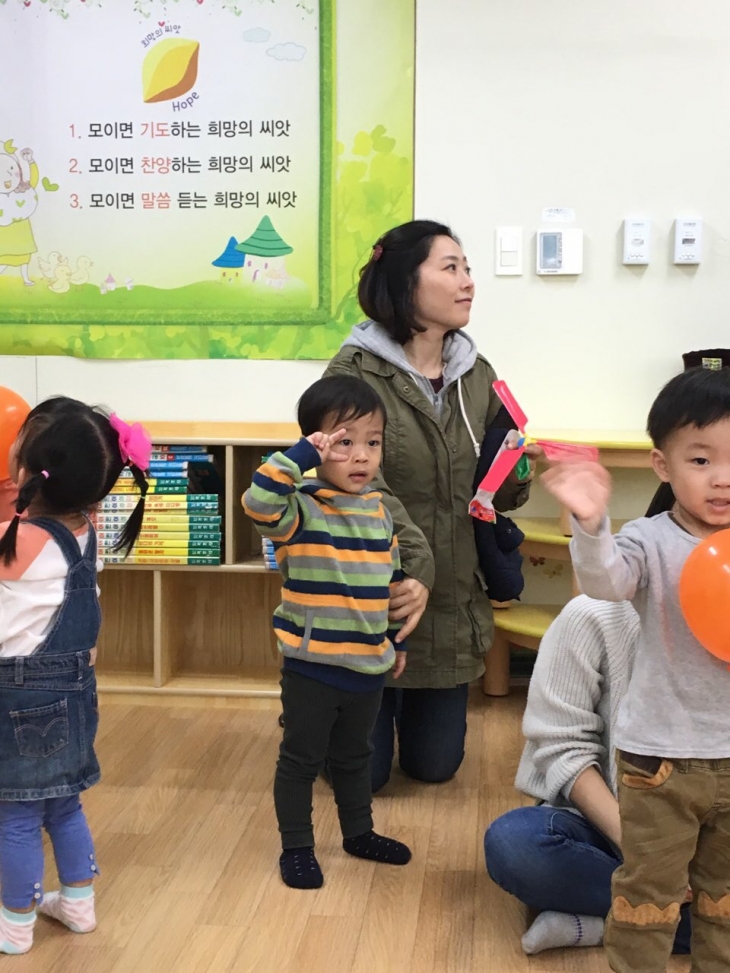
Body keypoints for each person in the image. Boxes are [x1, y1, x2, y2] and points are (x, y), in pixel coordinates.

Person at [325, 220, 534, 791]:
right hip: (372, 594)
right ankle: (318, 709)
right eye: (451, 268)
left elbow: (496, 493)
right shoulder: (353, 374)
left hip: (447, 604)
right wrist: (413, 567)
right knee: (359, 777)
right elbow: (354, 484)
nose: (468, 282)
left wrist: (517, 467)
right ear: (405, 282)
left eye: (468, 269)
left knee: (435, 767)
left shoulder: (478, 375)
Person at [542, 365, 730, 973]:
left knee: (725, 899)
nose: (723, 478)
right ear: (662, 466)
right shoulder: (650, 540)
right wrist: (590, 523)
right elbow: (604, 583)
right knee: (647, 899)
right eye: (701, 460)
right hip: (660, 761)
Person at [243, 375, 412, 891]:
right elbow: (257, 500)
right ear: (316, 447)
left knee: (355, 758)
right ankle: (296, 847)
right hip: (312, 667)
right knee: (300, 760)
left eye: (372, 442)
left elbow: (392, 584)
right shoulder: (300, 508)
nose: (361, 455)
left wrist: (397, 641)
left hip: (368, 666)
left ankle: (359, 833)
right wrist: (301, 455)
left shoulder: (380, 513)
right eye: (344, 442)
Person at [0, 396, 150, 955]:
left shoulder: (17, 540)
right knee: (64, 802)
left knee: (15, 813)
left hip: (18, 696)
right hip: (76, 690)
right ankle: (78, 904)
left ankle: (16, 923)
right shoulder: (86, 532)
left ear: (25, 474)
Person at [484, 593, 691, 956]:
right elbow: (564, 749)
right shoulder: (591, 616)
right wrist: (645, 853)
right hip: (610, 827)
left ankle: (602, 926)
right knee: (515, 844)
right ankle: (687, 923)